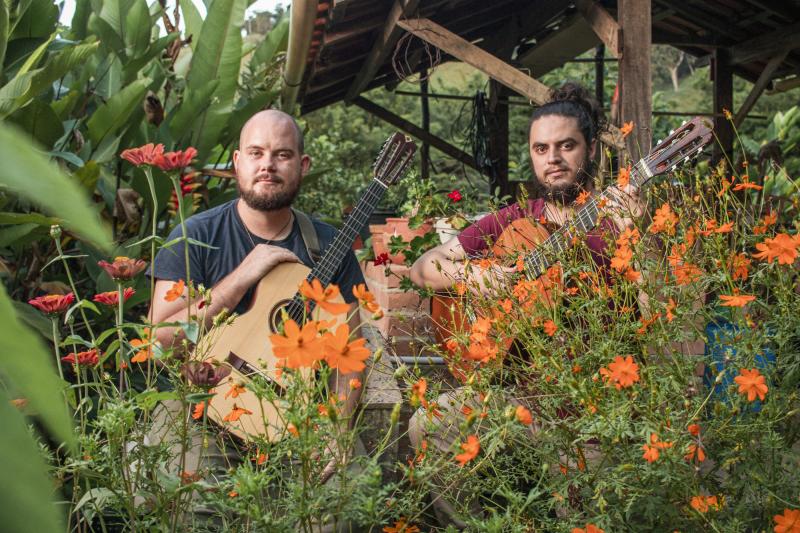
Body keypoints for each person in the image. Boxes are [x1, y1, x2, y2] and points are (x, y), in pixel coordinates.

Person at [407, 83, 646, 527]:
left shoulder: (615, 220)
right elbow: (424, 267)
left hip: (594, 411)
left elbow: (658, 311)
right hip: (517, 400)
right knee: (430, 422)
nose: (553, 158)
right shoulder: (514, 219)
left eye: (566, 145)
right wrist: (478, 276)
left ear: (590, 150)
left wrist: (639, 236)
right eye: (541, 148)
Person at [146, 109, 367, 490]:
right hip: (204, 407)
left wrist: (336, 427)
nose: (268, 164)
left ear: (302, 164)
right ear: (237, 162)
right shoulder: (195, 236)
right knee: (195, 502)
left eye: (282, 154)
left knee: (352, 500)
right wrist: (242, 277)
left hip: (300, 416)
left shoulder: (330, 246)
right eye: (256, 152)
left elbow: (351, 355)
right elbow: (160, 340)